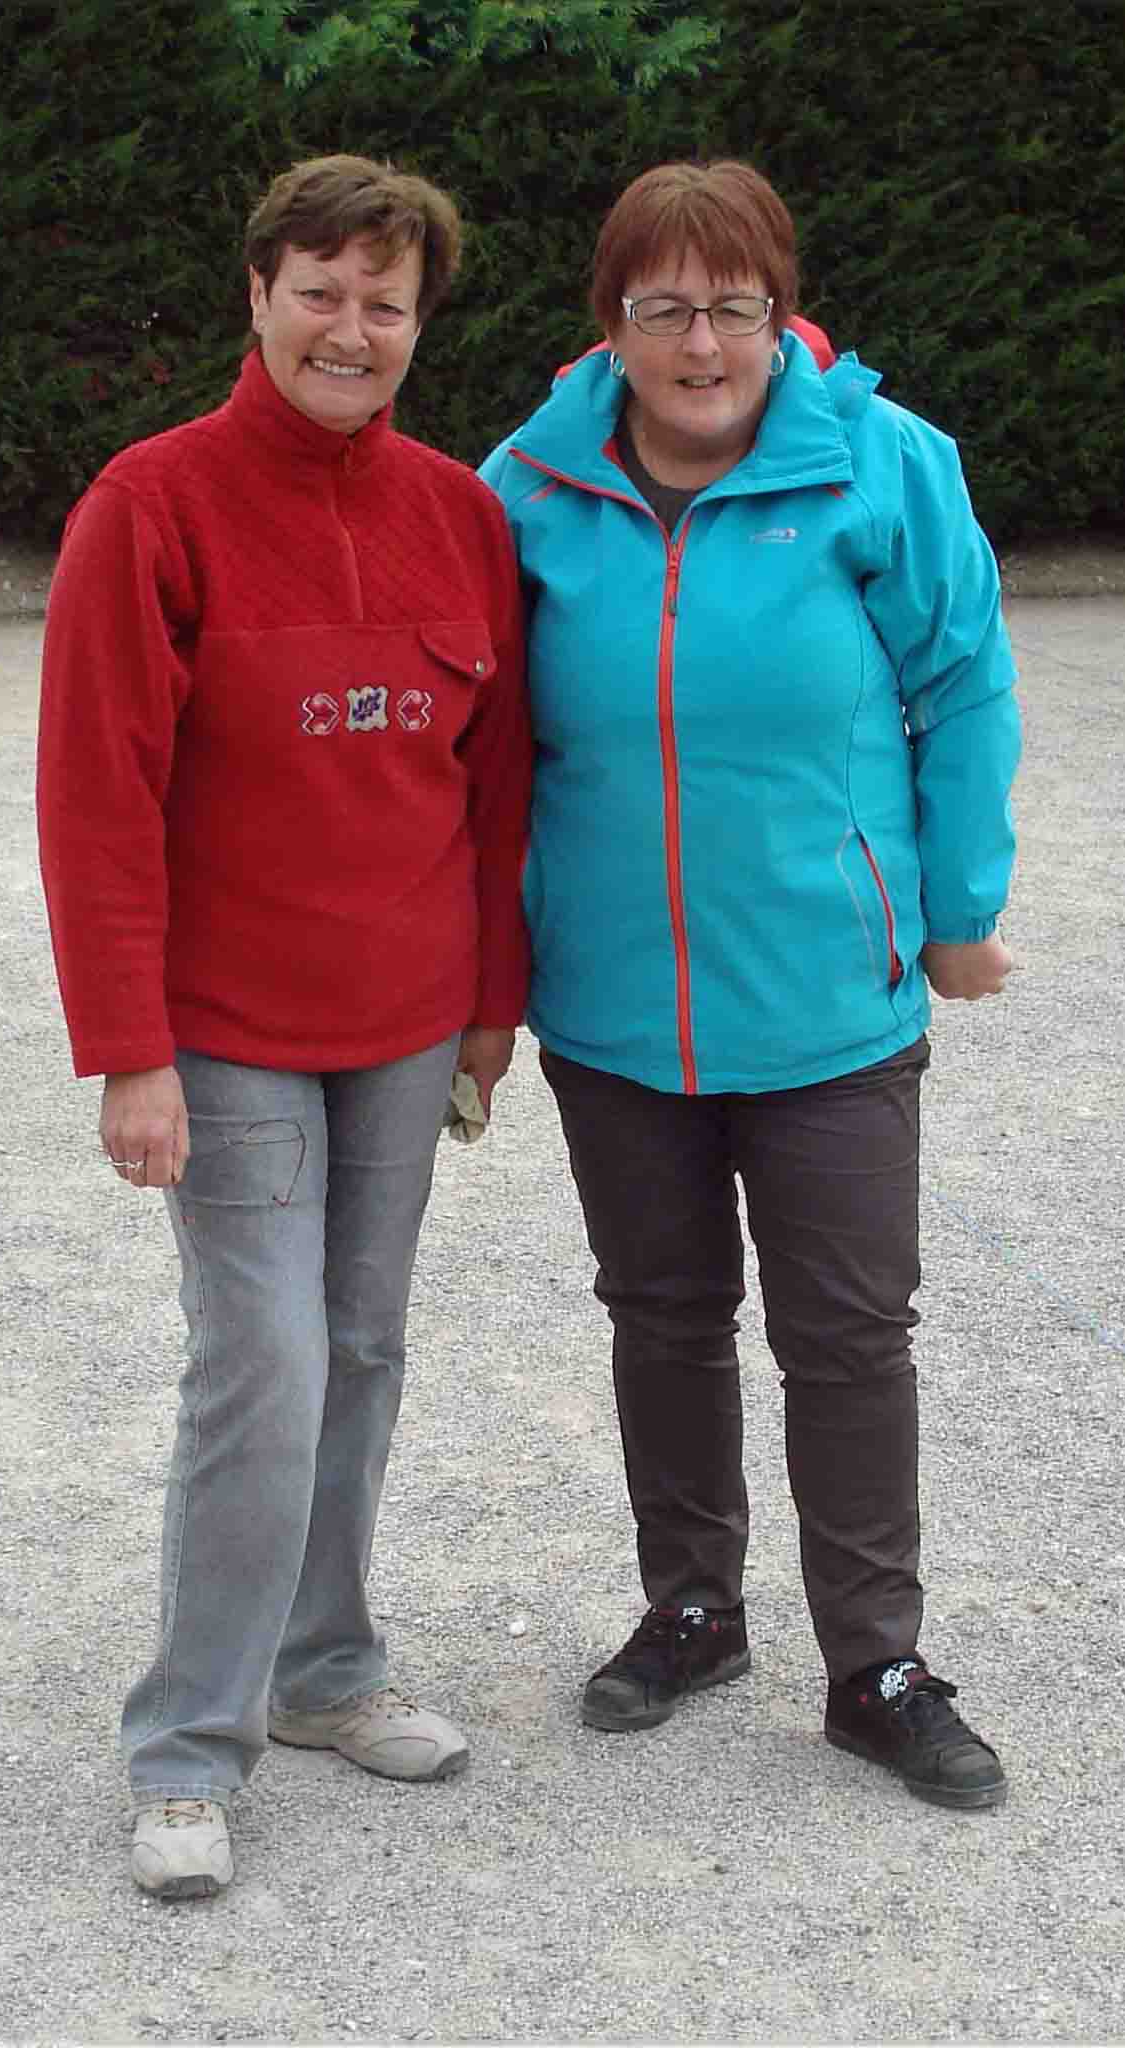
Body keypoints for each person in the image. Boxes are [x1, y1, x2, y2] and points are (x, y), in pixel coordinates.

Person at [477, 160, 1021, 1809]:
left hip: (825, 1001)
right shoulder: (524, 485)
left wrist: (957, 908)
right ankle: (691, 1611)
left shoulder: (881, 463)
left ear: (780, 314)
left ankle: (875, 1665)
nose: (699, 344)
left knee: (846, 1338)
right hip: (610, 1006)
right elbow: (477, 744)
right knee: (659, 1316)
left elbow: (963, 685)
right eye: (662, 308)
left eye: (733, 306)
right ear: (609, 322)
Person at [35, 155, 532, 1902]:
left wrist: (489, 1009)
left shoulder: (459, 517)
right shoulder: (148, 506)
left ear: (418, 325)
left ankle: (325, 1670)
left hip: (405, 1020)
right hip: (224, 1028)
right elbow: (96, 797)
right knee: (264, 1361)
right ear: (256, 295)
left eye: (383, 303)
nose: (349, 328)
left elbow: (494, 789)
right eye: (318, 291)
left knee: (364, 1344)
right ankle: (187, 1743)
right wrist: (130, 1048)